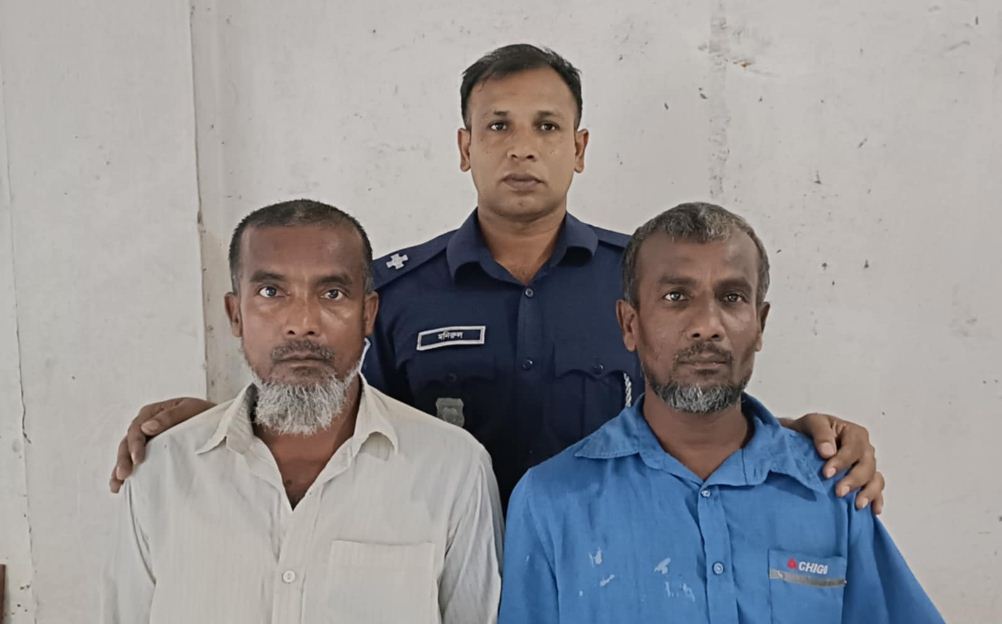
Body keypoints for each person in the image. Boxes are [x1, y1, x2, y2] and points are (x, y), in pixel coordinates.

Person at [109, 44, 883, 508]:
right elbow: (333, 419)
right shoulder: (395, 292)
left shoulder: (645, 285)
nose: (521, 147)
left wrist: (801, 436)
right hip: (434, 574)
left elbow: (701, 403)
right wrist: (219, 426)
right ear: (464, 146)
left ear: (579, 148)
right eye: (498, 126)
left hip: (607, 573)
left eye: (546, 126)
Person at [498, 202, 943, 624]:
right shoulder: (552, 503)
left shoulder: (832, 487)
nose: (707, 325)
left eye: (731, 297)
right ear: (630, 325)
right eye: (676, 296)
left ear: (760, 324)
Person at [101, 200, 503, 623]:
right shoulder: (163, 469)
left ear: (367, 314)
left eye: (332, 294)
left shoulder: (452, 469)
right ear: (235, 315)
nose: (302, 323)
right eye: (271, 292)